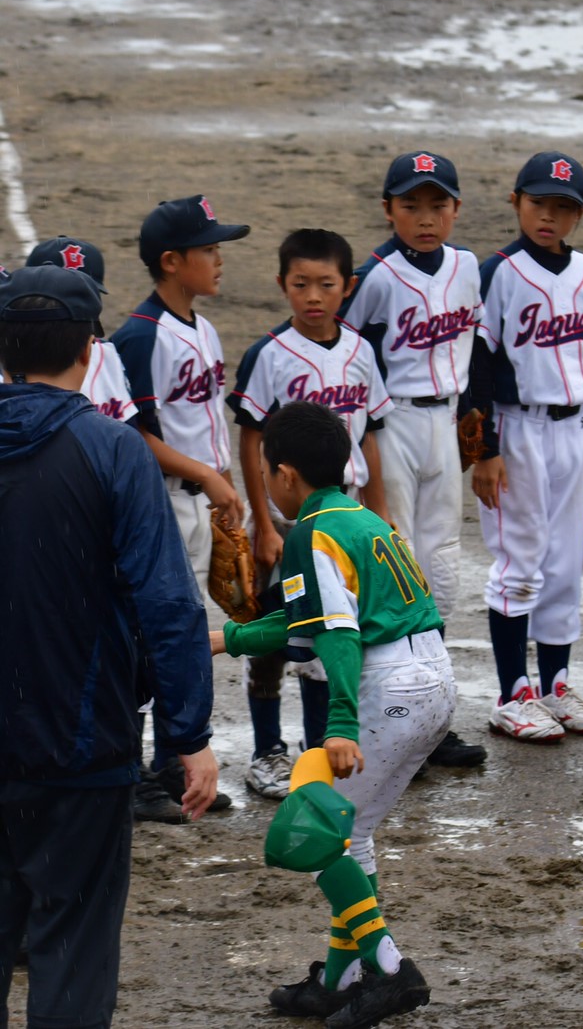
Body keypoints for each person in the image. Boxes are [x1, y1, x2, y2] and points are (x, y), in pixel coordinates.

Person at [0, 265, 217, 1027]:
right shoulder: (114, 450)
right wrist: (188, 735)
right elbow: (168, 603)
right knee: (74, 951)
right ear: (93, 351)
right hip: (83, 752)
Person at [211, 400, 455, 1028]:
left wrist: (341, 724)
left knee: (314, 829)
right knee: (353, 834)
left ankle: (391, 968)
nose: (264, 482)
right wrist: (223, 638)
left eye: (266, 471)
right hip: (432, 679)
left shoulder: (311, 533)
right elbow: (302, 624)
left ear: (287, 475)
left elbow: (339, 636)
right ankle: (343, 978)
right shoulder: (359, 519)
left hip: (388, 688)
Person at [227, 228, 395, 797]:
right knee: (275, 640)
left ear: (348, 287)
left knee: (332, 636)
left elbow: (369, 435)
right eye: (301, 285)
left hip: (343, 518)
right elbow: (250, 441)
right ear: (282, 286)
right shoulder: (269, 354)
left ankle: (320, 749)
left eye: (326, 284)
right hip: (288, 519)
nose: (314, 296)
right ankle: (267, 750)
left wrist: (380, 512)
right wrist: (265, 523)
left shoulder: (360, 351)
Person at [338, 151, 486, 768]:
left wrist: (476, 420)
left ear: (455, 209)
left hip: (445, 423)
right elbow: (350, 355)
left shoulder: (467, 267)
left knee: (442, 567)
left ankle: (429, 718)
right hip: (392, 420)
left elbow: (472, 342)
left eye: (437, 205)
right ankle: (389, 716)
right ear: (388, 210)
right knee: (394, 563)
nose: (425, 218)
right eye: (411, 205)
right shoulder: (375, 275)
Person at [472, 151, 583, 742]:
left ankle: (556, 685)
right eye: (539, 203)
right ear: (516, 202)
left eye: (563, 208)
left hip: (578, 429)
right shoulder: (500, 272)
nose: (549, 217)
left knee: (564, 566)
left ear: (578, 215)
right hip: (518, 429)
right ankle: (513, 692)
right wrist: (484, 449)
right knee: (520, 563)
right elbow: (478, 363)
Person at [110, 194, 247, 820]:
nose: (220, 260)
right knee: (157, 633)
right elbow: (132, 433)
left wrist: (222, 484)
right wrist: (204, 478)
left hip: (199, 500)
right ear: (172, 262)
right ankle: (147, 770)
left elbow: (205, 420)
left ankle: (177, 762)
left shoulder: (203, 327)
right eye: (209, 250)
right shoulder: (139, 337)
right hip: (162, 502)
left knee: (188, 634)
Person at [24, 235, 138, 422]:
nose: (73, 312)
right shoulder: (12, 366)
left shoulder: (107, 356)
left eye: (83, 298)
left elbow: (130, 428)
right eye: (60, 299)